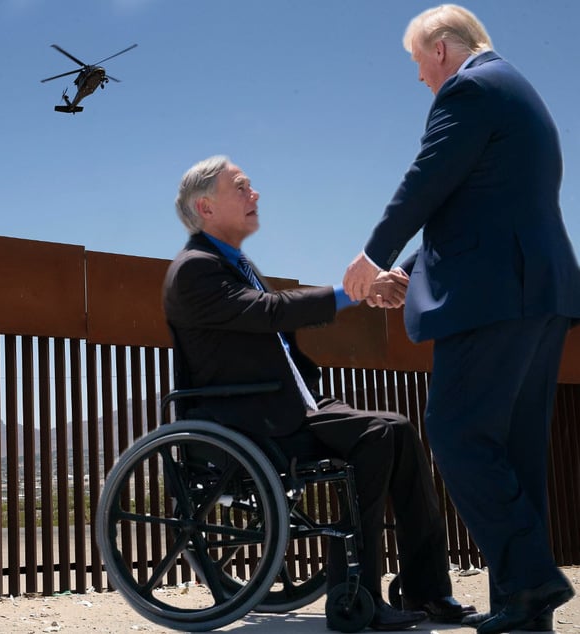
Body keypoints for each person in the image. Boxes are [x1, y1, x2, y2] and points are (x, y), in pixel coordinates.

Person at [342, 5, 580, 634]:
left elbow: (428, 180)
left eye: (418, 62)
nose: (419, 76)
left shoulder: (469, 87)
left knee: (454, 431)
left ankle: (530, 580)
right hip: (537, 289)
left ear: (441, 51)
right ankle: (523, 611)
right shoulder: (514, 88)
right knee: (514, 452)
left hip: (493, 297)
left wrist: (373, 257)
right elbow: (480, 206)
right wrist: (413, 275)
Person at [165, 155, 474, 631]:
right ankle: (357, 595)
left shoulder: (233, 265)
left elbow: (268, 316)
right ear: (205, 207)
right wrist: (357, 290)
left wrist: (366, 290)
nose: (255, 194)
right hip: (248, 418)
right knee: (375, 435)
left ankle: (425, 588)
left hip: (286, 403)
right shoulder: (195, 270)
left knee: (398, 429)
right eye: (242, 187)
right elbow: (269, 312)